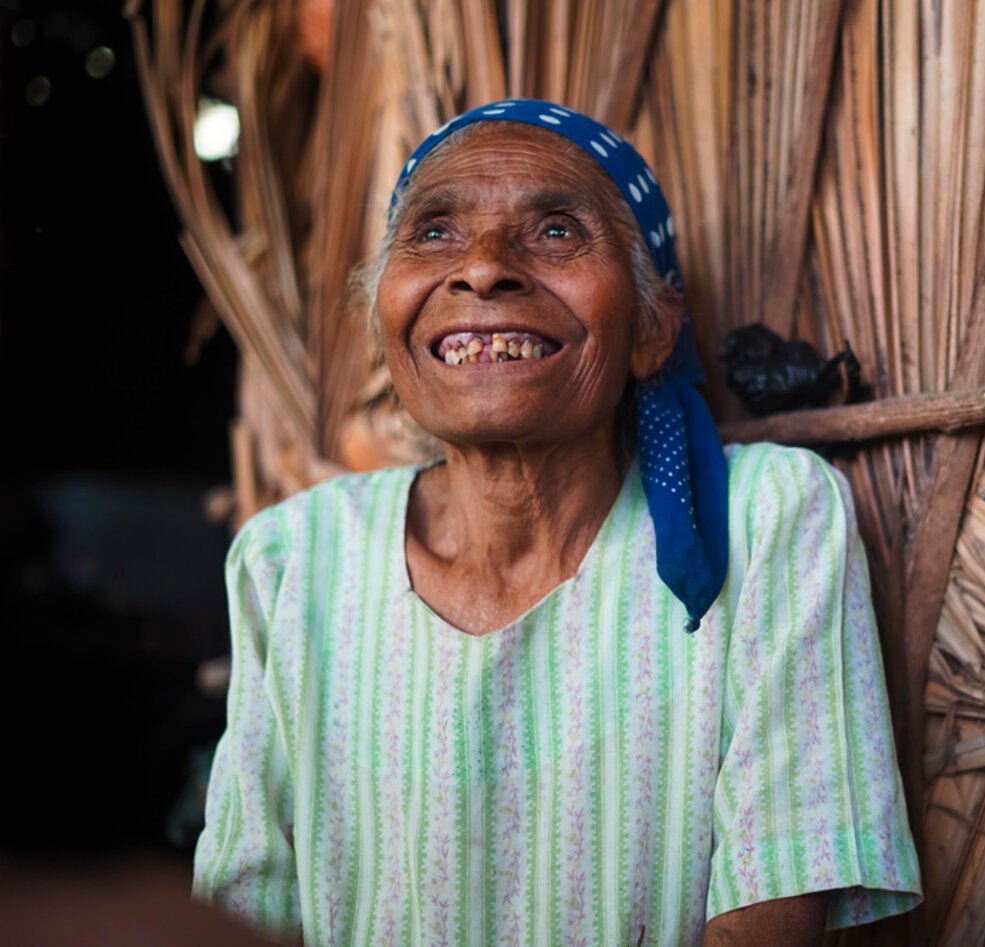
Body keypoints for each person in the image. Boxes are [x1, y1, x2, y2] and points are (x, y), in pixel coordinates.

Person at [193, 99, 920, 946]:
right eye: (433, 232)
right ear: (385, 319)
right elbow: (246, 904)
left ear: (655, 329)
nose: (484, 269)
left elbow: (771, 912)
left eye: (556, 231)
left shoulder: (761, 520)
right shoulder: (294, 557)